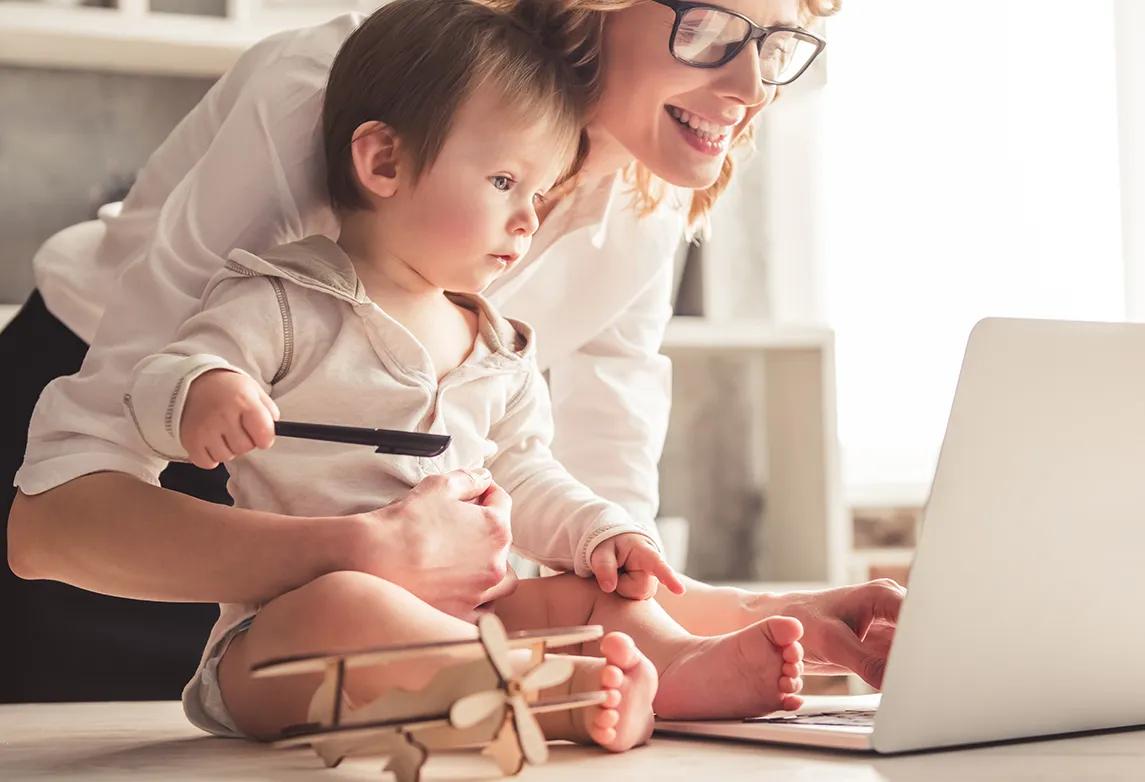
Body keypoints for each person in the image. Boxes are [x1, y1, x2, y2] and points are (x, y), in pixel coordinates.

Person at [5, 0, 903, 706]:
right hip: (151, 477)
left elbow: (588, 534)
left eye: (780, 45)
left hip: (393, 571)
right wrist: (369, 552)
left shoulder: (646, 194)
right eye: (708, 27)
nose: (750, 85)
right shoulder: (352, 91)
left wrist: (760, 619)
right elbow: (51, 524)